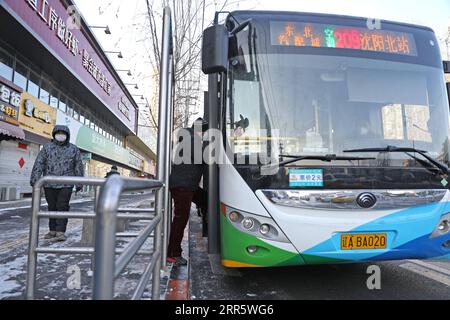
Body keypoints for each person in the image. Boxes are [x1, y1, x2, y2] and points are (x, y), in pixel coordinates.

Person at [30, 125, 84, 242]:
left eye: (63, 133)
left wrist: (79, 182)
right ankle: (52, 230)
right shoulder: (47, 148)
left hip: (66, 183)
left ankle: (60, 231)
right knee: (52, 206)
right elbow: (39, 163)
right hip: (49, 183)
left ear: (67, 135)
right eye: (58, 133)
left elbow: (78, 166)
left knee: (62, 206)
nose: (60, 135)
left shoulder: (73, 149)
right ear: (54, 134)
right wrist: (35, 178)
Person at [167, 118, 208, 266]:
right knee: (181, 218)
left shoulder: (190, 138)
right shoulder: (192, 140)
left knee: (205, 200)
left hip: (187, 184)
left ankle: (209, 226)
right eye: (205, 132)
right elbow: (204, 158)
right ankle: (173, 254)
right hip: (183, 186)